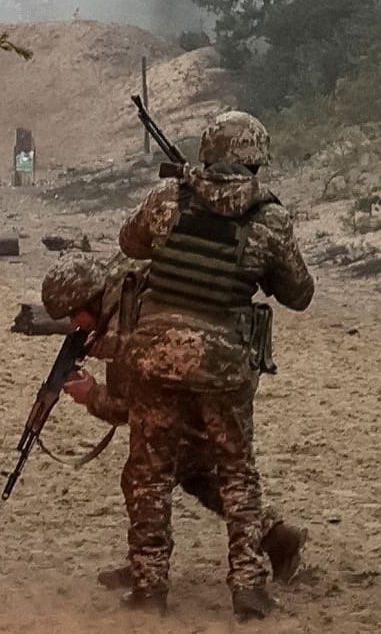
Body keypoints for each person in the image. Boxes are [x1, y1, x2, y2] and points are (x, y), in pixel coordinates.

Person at [116, 111, 315, 619]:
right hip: (222, 360)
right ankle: (248, 587)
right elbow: (299, 293)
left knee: (150, 472)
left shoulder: (167, 199)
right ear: (254, 160)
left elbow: (130, 243)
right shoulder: (270, 218)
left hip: (154, 351)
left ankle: (148, 587)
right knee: (235, 472)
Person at [38, 254, 307, 593]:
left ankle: (148, 574)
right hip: (230, 364)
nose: (75, 326)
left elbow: (131, 407)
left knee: (144, 474)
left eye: (73, 315)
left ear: (86, 300)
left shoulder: (127, 320)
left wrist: (92, 394)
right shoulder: (129, 282)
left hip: (205, 381)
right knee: (193, 469)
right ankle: (277, 538)